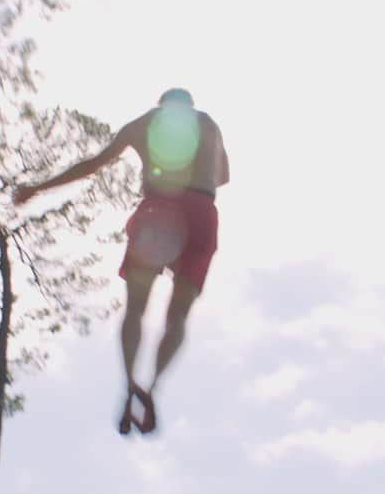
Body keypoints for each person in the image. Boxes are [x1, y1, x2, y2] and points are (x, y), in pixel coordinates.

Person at [13, 88, 230, 434]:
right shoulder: (208, 123)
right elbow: (223, 177)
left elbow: (90, 166)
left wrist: (37, 188)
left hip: (159, 210)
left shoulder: (142, 123)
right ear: (189, 104)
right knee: (178, 316)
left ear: (162, 104)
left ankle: (130, 380)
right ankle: (152, 386)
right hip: (202, 212)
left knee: (135, 308)